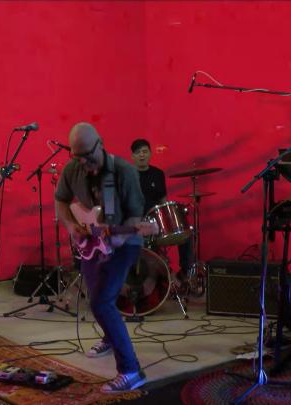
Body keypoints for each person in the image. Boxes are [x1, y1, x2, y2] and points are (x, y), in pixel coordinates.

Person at [54, 122, 147, 393]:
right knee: (97, 299)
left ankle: (131, 371)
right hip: (92, 242)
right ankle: (109, 336)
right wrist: (72, 227)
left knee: (102, 302)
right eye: (77, 156)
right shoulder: (72, 169)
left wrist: (117, 238)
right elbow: (60, 200)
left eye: (87, 155)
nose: (83, 162)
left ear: (101, 144)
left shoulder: (124, 171)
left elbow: (136, 217)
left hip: (125, 241)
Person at [129, 139, 194, 285]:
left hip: (156, 222)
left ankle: (184, 273)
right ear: (132, 156)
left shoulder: (158, 174)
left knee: (186, 233)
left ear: (150, 154)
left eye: (145, 151)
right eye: (138, 152)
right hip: (137, 222)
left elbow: (163, 200)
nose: (141, 155)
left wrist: (170, 217)